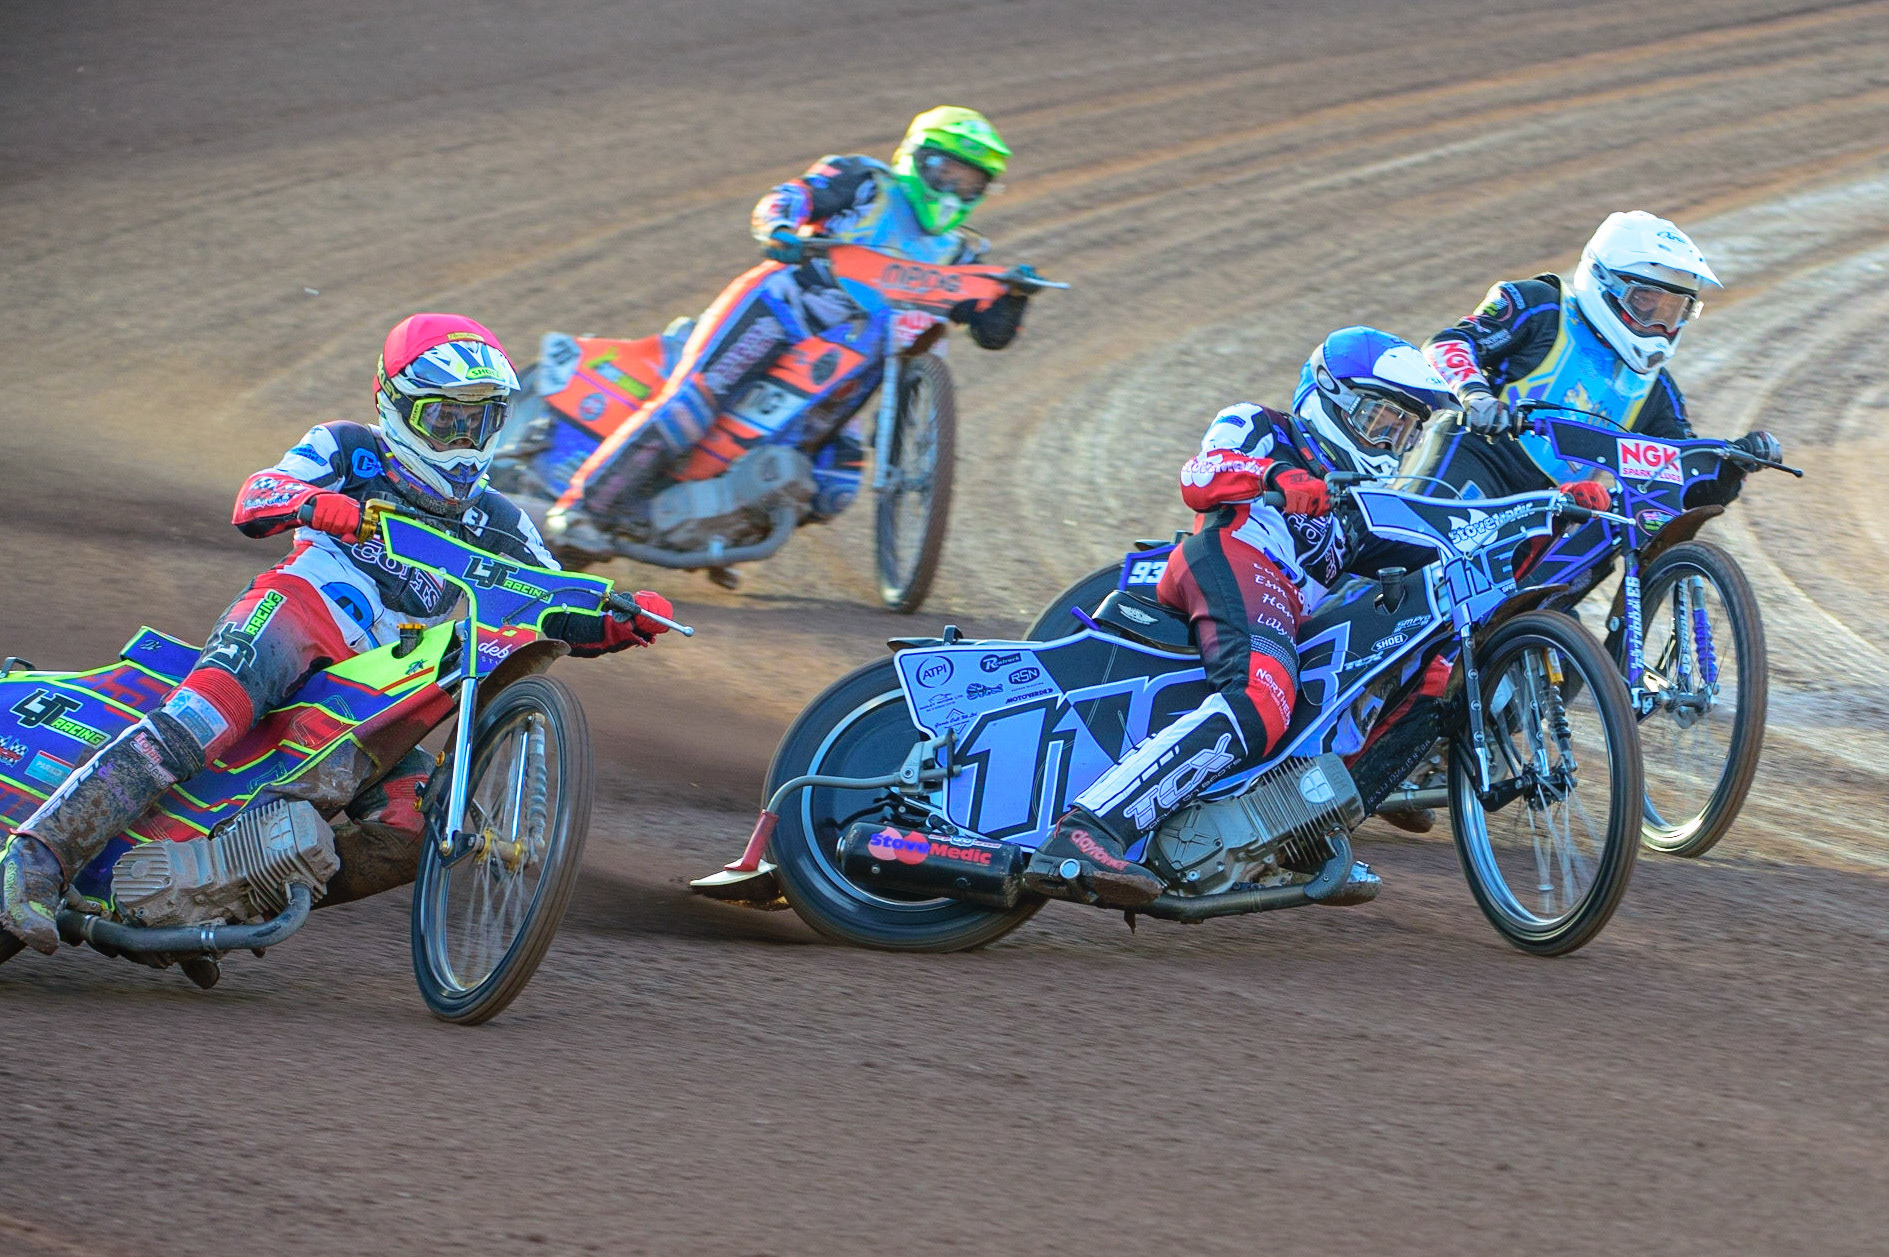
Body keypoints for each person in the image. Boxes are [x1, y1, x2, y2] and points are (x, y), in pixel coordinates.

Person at [0, 314, 675, 955]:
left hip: (381, 681)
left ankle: (225, 898)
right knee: (201, 718)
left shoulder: (502, 520)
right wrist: (312, 502)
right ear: (397, 406)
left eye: (481, 420)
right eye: (445, 418)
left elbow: (555, 601)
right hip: (297, 610)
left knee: (415, 825)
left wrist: (618, 617)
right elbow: (257, 494)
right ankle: (35, 857)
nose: (464, 440)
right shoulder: (349, 449)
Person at [1024, 328, 1455, 907]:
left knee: (1370, 681)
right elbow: (1198, 478)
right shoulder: (1261, 425)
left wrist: (1557, 512)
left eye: (1405, 432)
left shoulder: (1360, 510)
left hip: (1275, 603)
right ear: (1332, 397)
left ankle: (1286, 828)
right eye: (1381, 420)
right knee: (1263, 695)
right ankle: (1086, 834)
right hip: (1229, 554)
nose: (1390, 442)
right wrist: (1274, 477)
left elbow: (1450, 534)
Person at [546, 106, 1032, 555]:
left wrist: (1013, 296)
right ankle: (580, 509)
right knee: (692, 406)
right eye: (945, 171)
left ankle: (719, 522)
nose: (952, 188)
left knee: (832, 485)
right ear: (916, 159)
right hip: (780, 309)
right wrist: (779, 227)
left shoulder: (957, 254)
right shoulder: (865, 182)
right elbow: (794, 196)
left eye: (969, 182)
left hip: (848, 360)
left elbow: (991, 334)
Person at [1410, 209, 1780, 505]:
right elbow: (1448, 344)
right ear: (1606, 283)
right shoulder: (1540, 305)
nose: (1659, 325)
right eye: (1647, 303)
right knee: (1413, 551)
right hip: (1478, 459)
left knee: (1597, 545)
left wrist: (1733, 466)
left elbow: (1683, 484)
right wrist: (1476, 395)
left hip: (1554, 507)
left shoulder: (1655, 390)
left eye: (1674, 310)